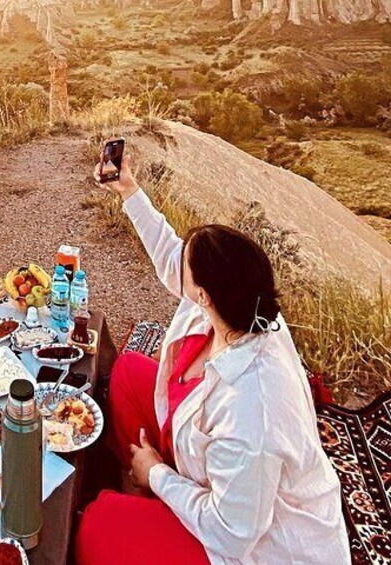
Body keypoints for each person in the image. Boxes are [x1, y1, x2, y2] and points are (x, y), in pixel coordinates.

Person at [76, 153, 349, 564]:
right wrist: (128, 191)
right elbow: (171, 260)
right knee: (130, 370)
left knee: (97, 523)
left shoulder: (253, 413)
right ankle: (146, 496)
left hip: (250, 546)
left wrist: (159, 475)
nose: (177, 266)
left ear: (203, 295)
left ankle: (146, 499)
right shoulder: (239, 305)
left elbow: (232, 533)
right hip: (203, 464)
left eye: (188, 265)